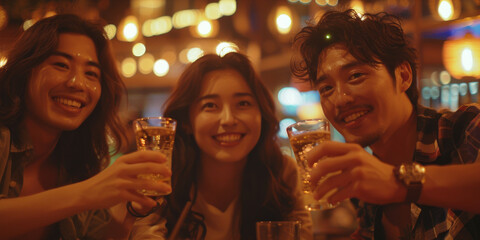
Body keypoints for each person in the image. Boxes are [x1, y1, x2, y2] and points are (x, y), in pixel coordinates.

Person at [291, 9, 480, 240]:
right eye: (326, 89)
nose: (340, 99)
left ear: (403, 76)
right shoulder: (366, 193)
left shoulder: (462, 129)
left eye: (355, 76)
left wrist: (397, 181)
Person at [0, 14, 171, 239]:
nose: (77, 83)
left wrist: (129, 211)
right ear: (25, 71)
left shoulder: (80, 162)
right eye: (61, 65)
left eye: (91, 74)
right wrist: (89, 192)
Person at [130, 52, 313, 239]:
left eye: (243, 103)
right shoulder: (163, 180)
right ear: (186, 121)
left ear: (261, 114)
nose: (228, 120)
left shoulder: (281, 173)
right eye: (210, 105)